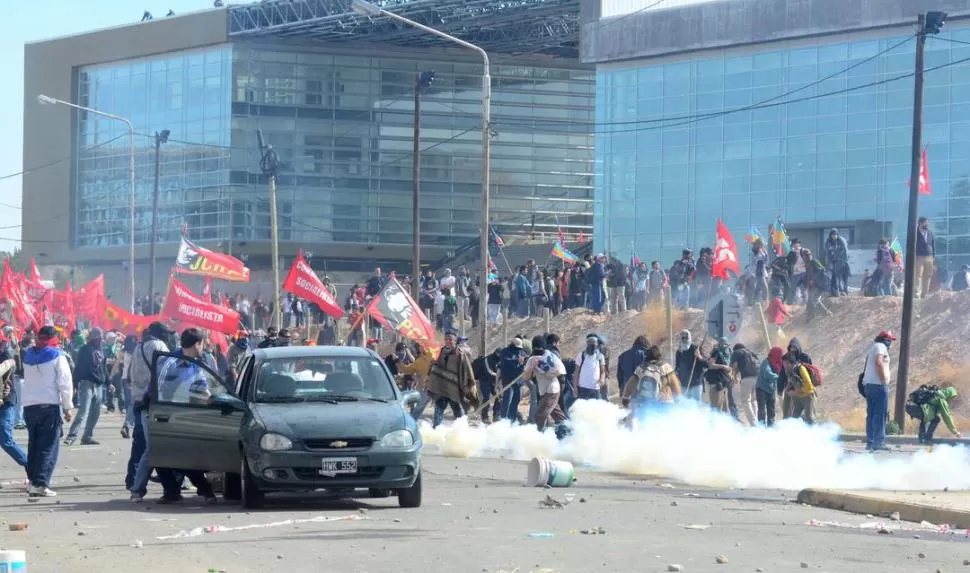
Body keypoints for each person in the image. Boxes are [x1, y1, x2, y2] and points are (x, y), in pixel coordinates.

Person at [144, 328, 219, 504]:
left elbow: (203, 388)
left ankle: (204, 490)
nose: (204, 347)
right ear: (196, 344)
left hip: (186, 416)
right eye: (202, 343)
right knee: (162, 457)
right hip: (165, 415)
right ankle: (173, 492)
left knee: (186, 458)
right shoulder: (169, 362)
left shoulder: (195, 364)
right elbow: (156, 386)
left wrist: (216, 402)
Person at [21, 326, 74, 497]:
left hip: (29, 407)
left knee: (34, 446)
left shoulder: (28, 354)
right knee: (48, 447)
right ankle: (41, 484)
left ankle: (32, 482)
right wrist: (67, 407)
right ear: (54, 338)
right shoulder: (58, 355)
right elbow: (65, 383)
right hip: (48, 406)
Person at [125, 321, 173, 493]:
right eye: (167, 333)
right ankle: (140, 487)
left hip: (138, 399)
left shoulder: (139, 346)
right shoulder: (158, 345)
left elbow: (131, 373)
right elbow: (168, 371)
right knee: (153, 446)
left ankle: (132, 479)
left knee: (139, 444)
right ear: (160, 334)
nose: (169, 336)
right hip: (153, 400)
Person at [65, 328, 110, 446]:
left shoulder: (101, 351)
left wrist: (109, 383)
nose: (100, 341)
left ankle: (87, 436)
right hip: (87, 383)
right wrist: (74, 385)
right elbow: (78, 367)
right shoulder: (85, 350)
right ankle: (71, 436)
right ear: (93, 339)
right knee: (83, 411)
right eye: (98, 338)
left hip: (98, 384)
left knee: (95, 413)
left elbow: (104, 368)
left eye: (101, 338)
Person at [426, 331, 478, 428]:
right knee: (439, 409)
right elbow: (433, 364)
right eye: (446, 339)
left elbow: (467, 367)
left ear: (455, 340)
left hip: (454, 387)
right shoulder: (440, 351)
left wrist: (468, 385)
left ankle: (463, 429)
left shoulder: (460, 353)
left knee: (457, 409)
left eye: (451, 339)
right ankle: (436, 430)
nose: (448, 341)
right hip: (441, 386)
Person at [621, 345, 681, 421]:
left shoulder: (641, 368)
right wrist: (678, 402)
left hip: (645, 404)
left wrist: (625, 400)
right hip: (664, 403)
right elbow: (675, 387)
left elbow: (629, 386)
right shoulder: (666, 367)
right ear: (659, 356)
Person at [522, 336, 567, 432]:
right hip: (543, 390)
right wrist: (532, 366)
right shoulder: (532, 359)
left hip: (552, 389)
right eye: (536, 348)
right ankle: (569, 432)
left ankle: (539, 437)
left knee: (540, 414)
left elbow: (561, 371)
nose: (538, 350)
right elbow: (526, 376)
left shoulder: (551, 356)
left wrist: (550, 374)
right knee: (557, 415)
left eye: (540, 348)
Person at [861, 330, 895, 451]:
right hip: (878, 385)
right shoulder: (881, 347)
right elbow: (878, 362)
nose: (891, 343)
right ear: (886, 340)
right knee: (880, 414)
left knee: (871, 415)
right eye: (890, 340)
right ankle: (879, 442)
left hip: (869, 385)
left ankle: (870, 442)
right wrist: (883, 381)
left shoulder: (873, 347)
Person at [0, 350, 26, 487]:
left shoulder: (4, 355)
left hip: (5, 404)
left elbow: (12, 364)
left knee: (6, 440)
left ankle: (30, 466)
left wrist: (8, 364)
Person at [498, 337, 529, 421]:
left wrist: (525, 360)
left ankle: (512, 420)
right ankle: (503, 420)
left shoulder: (522, 352)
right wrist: (517, 360)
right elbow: (505, 361)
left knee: (516, 400)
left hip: (518, 382)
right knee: (507, 401)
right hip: (508, 381)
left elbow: (526, 360)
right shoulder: (505, 352)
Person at [730, 343, 760, 426]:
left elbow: (735, 365)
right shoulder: (751, 352)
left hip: (747, 378)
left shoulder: (736, 352)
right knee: (754, 400)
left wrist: (734, 377)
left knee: (746, 401)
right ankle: (756, 420)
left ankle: (754, 424)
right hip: (758, 377)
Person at [783, 353, 816, 424]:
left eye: (786, 363)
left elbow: (808, 385)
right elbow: (791, 382)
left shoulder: (801, 369)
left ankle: (815, 433)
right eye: (783, 363)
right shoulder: (789, 371)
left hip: (808, 396)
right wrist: (787, 390)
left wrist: (795, 392)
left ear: (792, 363)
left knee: (809, 418)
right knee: (795, 418)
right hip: (798, 398)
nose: (784, 365)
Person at [674, 330, 705, 402]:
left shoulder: (696, 348)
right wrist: (676, 374)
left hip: (696, 385)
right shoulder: (679, 352)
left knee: (696, 407)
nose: (684, 340)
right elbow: (677, 367)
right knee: (685, 407)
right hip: (684, 385)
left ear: (689, 338)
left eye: (686, 337)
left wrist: (699, 357)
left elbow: (705, 364)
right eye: (683, 338)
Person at [574, 335, 606, 400]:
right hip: (583, 387)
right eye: (590, 345)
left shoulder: (600, 356)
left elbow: (603, 371)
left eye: (594, 345)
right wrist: (575, 387)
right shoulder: (581, 355)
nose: (592, 347)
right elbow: (576, 372)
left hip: (595, 387)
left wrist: (602, 379)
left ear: (596, 345)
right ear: (587, 344)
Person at [756, 347, 783, 427]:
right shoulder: (766, 362)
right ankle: (761, 427)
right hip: (762, 389)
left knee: (771, 409)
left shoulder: (778, 363)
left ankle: (771, 427)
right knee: (762, 410)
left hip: (771, 389)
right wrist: (778, 377)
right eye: (779, 354)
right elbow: (767, 374)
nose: (780, 356)